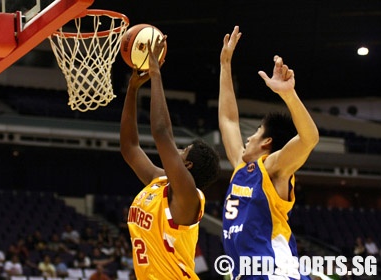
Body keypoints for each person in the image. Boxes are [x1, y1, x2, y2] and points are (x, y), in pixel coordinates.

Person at [219, 26, 319, 279]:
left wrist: (289, 95)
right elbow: (229, 120)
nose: (249, 136)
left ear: (267, 142)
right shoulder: (241, 169)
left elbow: (309, 139)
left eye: (256, 132)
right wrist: (225, 64)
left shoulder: (274, 168)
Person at [120, 35, 220, 279]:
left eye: (183, 150)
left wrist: (156, 74)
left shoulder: (189, 197)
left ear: (187, 165)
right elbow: (130, 148)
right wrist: (132, 90)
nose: (176, 150)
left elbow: (162, 133)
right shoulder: (159, 181)